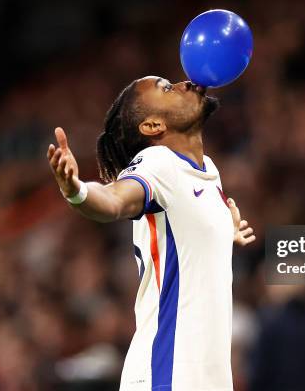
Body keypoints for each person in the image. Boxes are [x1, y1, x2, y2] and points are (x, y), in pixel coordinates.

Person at [47, 76, 255, 391]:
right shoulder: (157, 163)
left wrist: (226, 231)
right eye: (166, 88)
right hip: (167, 375)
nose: (185, 82)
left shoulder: (208, 170)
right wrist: (76, 190)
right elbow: (114, 199)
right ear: (152, 126)